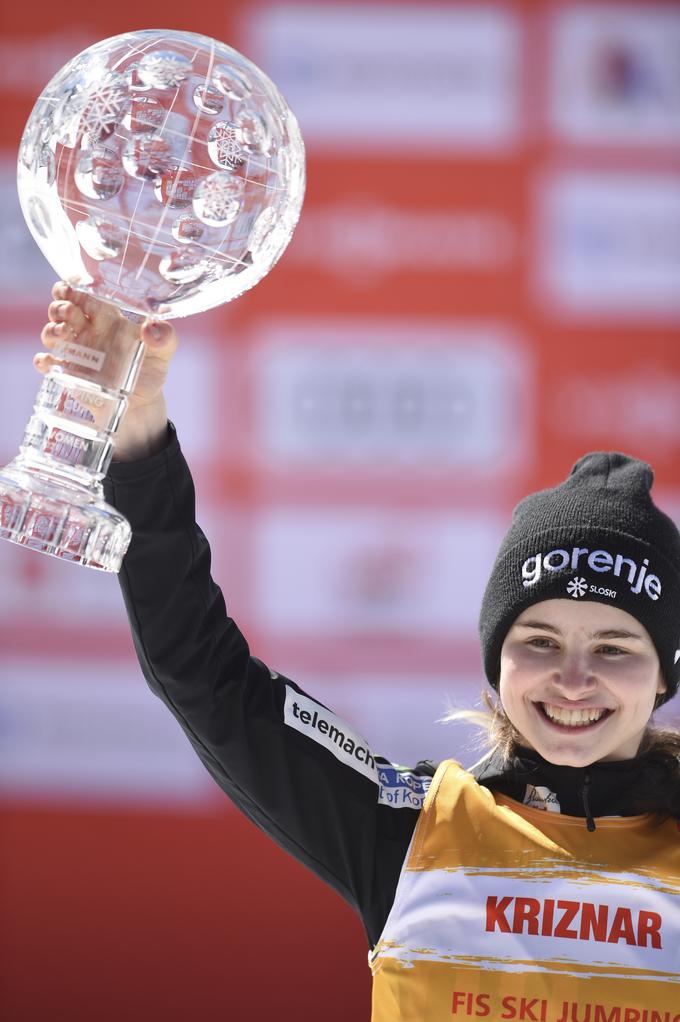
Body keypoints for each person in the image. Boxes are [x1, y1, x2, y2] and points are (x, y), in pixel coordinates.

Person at [38, 284, 680, 1020]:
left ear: (665, 673)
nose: (574, 679)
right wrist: (138, 428)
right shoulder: (414, 830)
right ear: (496, 658)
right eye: (539, 640)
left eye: (615, 647)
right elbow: (201, 675)